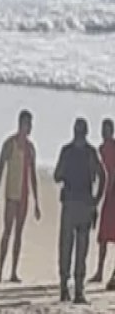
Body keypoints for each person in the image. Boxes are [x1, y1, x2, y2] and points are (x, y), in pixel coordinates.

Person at [54, 118, 105, 304]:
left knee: (66, 247)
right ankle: (78, 291)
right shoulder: (91, 153)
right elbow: (103, 176)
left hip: (70, 204)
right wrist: (96, 201)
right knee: (81, 249)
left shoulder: (66, 152)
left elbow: (57, 175)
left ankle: (63, 287)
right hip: (84, 204)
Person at [0, 109, 41, 283]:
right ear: (22, 124)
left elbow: (33, 175)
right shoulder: (9, 144)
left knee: (19, 234)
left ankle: (13, 271)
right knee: (7, 231)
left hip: (24, 195)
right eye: (28, 124)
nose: (30, 128)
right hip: (11, 194)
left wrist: (36, 201)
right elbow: (0, 168)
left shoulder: (30, 148)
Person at [89, 119, 115, 284]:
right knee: (103, 236)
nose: (104, 132)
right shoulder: (99, 150)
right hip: (105, 195)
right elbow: (95, 174)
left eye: (107, 130)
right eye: (102, 129)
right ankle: (99, 271)